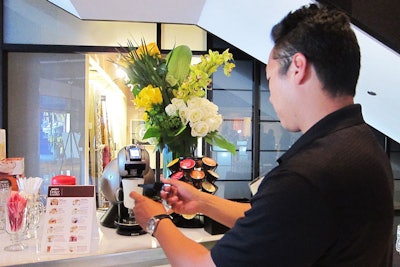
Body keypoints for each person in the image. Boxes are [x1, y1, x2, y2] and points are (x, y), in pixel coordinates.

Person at [130, 3, 394, 266]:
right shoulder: (363, 146)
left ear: (297, 68)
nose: (272, 93)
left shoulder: (306, 175)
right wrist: (202, 201)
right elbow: (281, 219)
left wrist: (156, 221)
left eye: (270, 78)